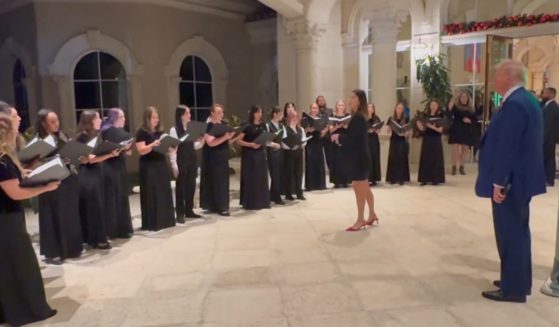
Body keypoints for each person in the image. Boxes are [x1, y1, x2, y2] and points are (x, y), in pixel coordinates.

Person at [476, 60, 546, 303]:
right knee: (518, 231)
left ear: (509, 76)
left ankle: (513, 289)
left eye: (496, 76)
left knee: (510, 234)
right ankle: (515, 279)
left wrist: (499, 182)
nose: (494, 81)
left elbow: (508, 147)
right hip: (522, 180)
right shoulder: (527, 100)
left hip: (511, 182)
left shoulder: (515, 104)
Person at [0, 112, 59, 326]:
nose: (17, 131)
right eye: (13, 128)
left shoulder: (6, 158)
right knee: (19, 266)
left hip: (8, 217)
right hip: (6, 220)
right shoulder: (2, 159)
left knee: (9, 266)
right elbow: (14, 193)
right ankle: (25, 311)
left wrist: (23, 174)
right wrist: (45, 187)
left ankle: (10, 310)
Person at [35, 109, 83, 264]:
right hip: (51, 181)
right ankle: (54, 251)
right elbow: (35, 163)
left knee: (69, 214)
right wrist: (57, 160)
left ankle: (71, 248)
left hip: (68, 180)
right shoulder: (39, 141)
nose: (56, 124)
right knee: (53, 215)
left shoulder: (62, 136)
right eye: (52, 121)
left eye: (57, 120)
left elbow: (72, 156)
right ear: (43, 123)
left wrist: (73, 157)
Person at [331, 89, 378, 232]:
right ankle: (372, 214)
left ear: (359, 100)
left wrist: (338, 137)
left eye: (352, 97)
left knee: (358, 187)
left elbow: (352, 139)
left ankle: (360, 219)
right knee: (365, 186)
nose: (349, 100)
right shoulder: (359, 116)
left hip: (359, 158)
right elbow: (354, 136)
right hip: (362, 156)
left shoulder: (358, 117)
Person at [77, 110, 120, 249]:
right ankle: (97, 239)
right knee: (94, 207)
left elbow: (96, 158)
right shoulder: (82, 137)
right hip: (88, 175)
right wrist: (105, 156)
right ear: (90, 121)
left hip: (97, 172)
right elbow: (85, 160)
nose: (101, 120)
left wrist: (111, 153)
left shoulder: (97, 135)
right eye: (98, 118)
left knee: (100, 206)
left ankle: (97, 237)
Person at [135, 107, 176, 230]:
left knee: (163, 192)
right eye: (153, 117)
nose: (156, 120)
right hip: (149, 166)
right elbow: (141, 150)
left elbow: (165, 151)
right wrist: (152, 145)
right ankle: (153, 223)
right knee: (152, 193)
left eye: (157, 117)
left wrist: (170, 149)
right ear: (147, 118)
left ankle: (166, 221)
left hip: (160, 164)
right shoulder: (141, 132)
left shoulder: (160, 133)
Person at [101, 108, 134, 238]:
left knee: (120, 196)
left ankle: (121, 228)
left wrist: (126, 149)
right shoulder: (108, 131)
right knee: (113, 198)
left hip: (119, 165)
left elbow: (128, 150)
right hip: (110, 167)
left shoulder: (114, 132)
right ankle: (116, 229)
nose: (124, 119)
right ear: (115, 119)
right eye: (122, 117)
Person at [170, 105, 204, 222]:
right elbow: (173, 148)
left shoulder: (192, 128)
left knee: (191, 185)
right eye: (187, 113)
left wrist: (201, 142)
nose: (190, 116)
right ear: (181, 116)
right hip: (181, 160)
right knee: (181, 187)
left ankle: (189, 210)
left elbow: (193, 146)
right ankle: (180, 213)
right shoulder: (174, 130)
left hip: (192, 159)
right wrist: (174, 164)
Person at [200, 104, 235, 216]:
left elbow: (226, 142)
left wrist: (230, 138)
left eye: (222, 112)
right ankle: (215, 206)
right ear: (212, 114)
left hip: (222, 156)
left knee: (223, 181)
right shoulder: (208, 126)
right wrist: (224, 137)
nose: (221, 114)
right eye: (219, 112)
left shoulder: (224, 125)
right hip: (212, 157)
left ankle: (223, 205)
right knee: (214, 181)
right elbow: (210, 143)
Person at [237, 105, 271, 210]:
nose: (259, 114)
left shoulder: (263, 125)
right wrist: (251, 144)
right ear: (252, 113)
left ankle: (262, 202)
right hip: (249, 155)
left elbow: (265, 138)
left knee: (261, 178)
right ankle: (250, 203)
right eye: (257, 112)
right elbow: (239, 141)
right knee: (251, 178)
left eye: (261, 112)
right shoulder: (246, 125)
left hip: (260, 154)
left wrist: (264, 141)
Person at [416, 100, 446, 186]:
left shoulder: (440, 116)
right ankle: (424, 179)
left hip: (436, 139)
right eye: (431, 105)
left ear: (437, 106)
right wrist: (419, 125)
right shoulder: (425, 116)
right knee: (426, 158)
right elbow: (422, 129)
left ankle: (435, 179)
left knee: (435, 159)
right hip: (427, 138)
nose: (433, 106)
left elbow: (440, 130)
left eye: (435, 104)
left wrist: (431, 126)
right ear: (429, 106)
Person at [448, 90, 476, 175]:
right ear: (459, 98)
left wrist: (469, 120)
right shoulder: (456, 107)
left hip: (466, 130)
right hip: (456, 128)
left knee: (465, 150)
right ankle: (454, 167)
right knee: (455, 149)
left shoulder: (471, 109)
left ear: (468, 99)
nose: (464, 98)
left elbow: (475, 120)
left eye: (465, 97)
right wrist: (453, 98)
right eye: (462, 97)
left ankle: (462, 167)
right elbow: (449, 109)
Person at [283, 107, 306, 201]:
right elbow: (283, 142)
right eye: (292, 117)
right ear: (289, 118)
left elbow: (304, 140)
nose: (295, 118)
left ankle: (299, 192)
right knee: (289, 173)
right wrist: (291, 147)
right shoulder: (286, 129)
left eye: (296, 117)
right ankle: (288, 193)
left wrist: (302, 145)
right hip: (289, 153)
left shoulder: (300, 129)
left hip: (299, 153)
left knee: (299, 173)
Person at [304, 102, 327, 191]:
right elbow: (303, 132)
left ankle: (320, 184)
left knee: (319, 161)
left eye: (316, 108)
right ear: (310, 109)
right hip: (309, 141)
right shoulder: (306, 119)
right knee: (310, 162)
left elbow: (321, 134)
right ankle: (310, 185)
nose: (315, 110)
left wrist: (325, 131)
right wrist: (308, 129)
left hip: (318, 141)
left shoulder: (321, 119)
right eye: (313, 108)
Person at [386, 102, 411, 185]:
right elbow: (388, 130)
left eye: (401, 108)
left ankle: (401, 178)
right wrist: (390, 129)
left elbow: (408, 132)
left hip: (402, 140)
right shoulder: (391, 119)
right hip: (393, 140)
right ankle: (393, 178)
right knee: (393, 158)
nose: (399, 110)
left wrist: (404, 134)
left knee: (401, 158)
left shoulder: (406, 119)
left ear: (403, 110)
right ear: (395, 109)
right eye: (398, 108)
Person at [265, 107, 286, 205]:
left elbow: (284, 139)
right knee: (275, 175)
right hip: (272, 152)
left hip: (280, 152)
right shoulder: (268, 125)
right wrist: (274, 144)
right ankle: (277, 197)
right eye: (281, 114)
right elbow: (265, 141)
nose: (282, 116)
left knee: (279, 174)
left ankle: (273, 194)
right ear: (275, 114)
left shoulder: (281, 125)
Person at [329, 100, 351, 188]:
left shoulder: (348, 116)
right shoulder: (332, 116)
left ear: (344, 107)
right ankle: (336, 181)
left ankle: (345, 180)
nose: (341, 107)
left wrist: (346, 126)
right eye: (339, 105)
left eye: (342, 105)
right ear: (336, 106)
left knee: (345, 161)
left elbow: (350, 129)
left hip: (345, 139)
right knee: (336, 160)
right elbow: (330, 130)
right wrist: (337, 127)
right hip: (335, 139)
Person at [541, 87, 559, 187]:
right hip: (548, 138)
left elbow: (547, 125)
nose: (543, 95)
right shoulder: (546, 106)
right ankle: (546, 178)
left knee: (548, 159)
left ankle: (549, 179)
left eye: (545, 93)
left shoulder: (552, 107)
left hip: (548, 139)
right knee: (547, 158)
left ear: (551, 95)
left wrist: (542, 139)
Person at [316, 95, 334, 173]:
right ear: (317, 102)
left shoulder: (330, 110)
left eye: (323, 100)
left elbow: (332, 121)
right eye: (319, 100)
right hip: (319, 136)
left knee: (330, 156)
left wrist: (326, 129)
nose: (321, 101)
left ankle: (332, 173)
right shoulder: (315, 111)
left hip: (328, 136)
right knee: (318, 157)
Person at [367, 103, 382, 186]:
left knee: (375, 157)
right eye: (368, 107)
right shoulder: (363, 118)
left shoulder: (376, 118)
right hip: (366, 139)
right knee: (368, 158)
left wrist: (376, 130)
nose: (370, 109)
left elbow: (379, 130)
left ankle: (374, 179)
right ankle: (368, 178)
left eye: (371, 107)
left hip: (374, 140)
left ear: (373, 109)